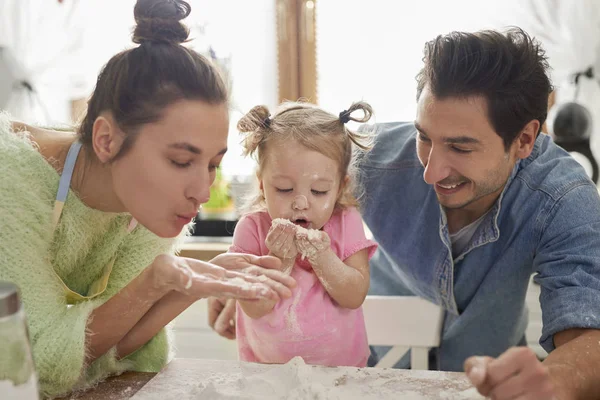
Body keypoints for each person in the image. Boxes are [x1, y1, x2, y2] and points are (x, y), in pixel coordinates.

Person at [210, 28, 600, 399]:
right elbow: (294, 172)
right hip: (369, 375)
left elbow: (588, 328)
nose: (431, 172)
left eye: (461, 148)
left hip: (486, 384)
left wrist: (558, 381)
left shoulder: (561, 197)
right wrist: (254, 274)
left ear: (525, 139)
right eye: (424, 137)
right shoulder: (365, 161)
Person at [0, 0, 295, 397]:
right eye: (180, 160)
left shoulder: (147, 202)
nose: (202, 192)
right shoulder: (11, 179)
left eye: (212, 165)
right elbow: (33, 366)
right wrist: (152, 282)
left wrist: (180, 286)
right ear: (106, 140)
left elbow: (115, 351)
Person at [227, 101, 378, 367]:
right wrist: (280, 260)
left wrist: (323, 257)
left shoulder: (346, 221)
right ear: (263, 186)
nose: (300, 203)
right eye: (284, 189)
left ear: (340, 187)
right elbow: (253, 306)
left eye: (319, 191)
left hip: (343, 375)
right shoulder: (251, 229)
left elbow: (354, 296)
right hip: (265, 375)